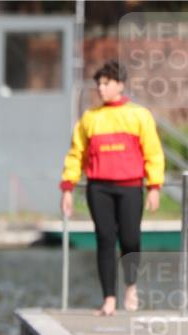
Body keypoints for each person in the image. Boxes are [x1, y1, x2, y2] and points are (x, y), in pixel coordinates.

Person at [59, 59, 165, 316]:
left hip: (130, 187)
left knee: (130, 238)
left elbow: (153, 152)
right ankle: (108, 298)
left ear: (120, 84)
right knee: (105, 240)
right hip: (99, 188)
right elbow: (76, 154)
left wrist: (154, 186)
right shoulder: (90, 118)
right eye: (99, 84)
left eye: (106, 83)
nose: (101, 88)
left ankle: (130, 286)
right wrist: (67, 187)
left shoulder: (139, 115)